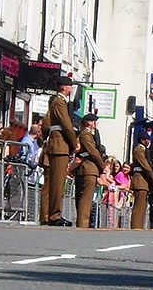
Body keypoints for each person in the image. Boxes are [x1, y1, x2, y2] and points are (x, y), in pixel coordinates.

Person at [44, 76, 76, 227]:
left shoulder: (58, 102)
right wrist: (74, 142)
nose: (71, 89)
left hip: (58, 144)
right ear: (64, 87)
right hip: (60, 145)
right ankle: (55, 215)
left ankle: (50, 214)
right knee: (57, 183)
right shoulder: (59, 102)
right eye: (70, 86)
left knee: (54, 182)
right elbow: (67, 125)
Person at [74, 113, 106, 228]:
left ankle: (83, 224)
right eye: (93, 122)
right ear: (89, 122)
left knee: (85, 200)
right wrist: (103, 167)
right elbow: (93, 152)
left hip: (88, 169)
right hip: (88, 169)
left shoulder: (89, 135)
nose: (95, 125)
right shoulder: (86, 135)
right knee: (85, 200)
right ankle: (82, 225)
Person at [130, 133, 153, 229]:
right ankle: (136, 227)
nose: (148, 141)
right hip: (140, 181)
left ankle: (138, 227)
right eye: (146, 139)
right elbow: (146, 167)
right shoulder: (139, 150)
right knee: (139, 207)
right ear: (142, 140)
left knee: (142, 207)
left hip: (143, 181)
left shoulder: (144, 150)